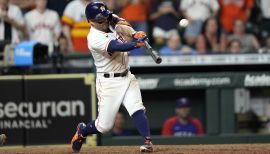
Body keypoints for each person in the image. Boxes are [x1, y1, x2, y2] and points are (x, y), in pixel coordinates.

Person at [71, 2, 153, 153]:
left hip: (126, 75)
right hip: (108, 82)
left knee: (137, 108)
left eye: (105, 17)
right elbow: (117, 46)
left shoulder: (108, 18)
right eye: (100, 20)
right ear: (91, 21)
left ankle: (147, 142)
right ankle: (83, 130)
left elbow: (121, 23)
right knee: (104, 126)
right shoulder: (94, 38)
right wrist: (136, 44)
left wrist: (134, 33)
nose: (105, 21)